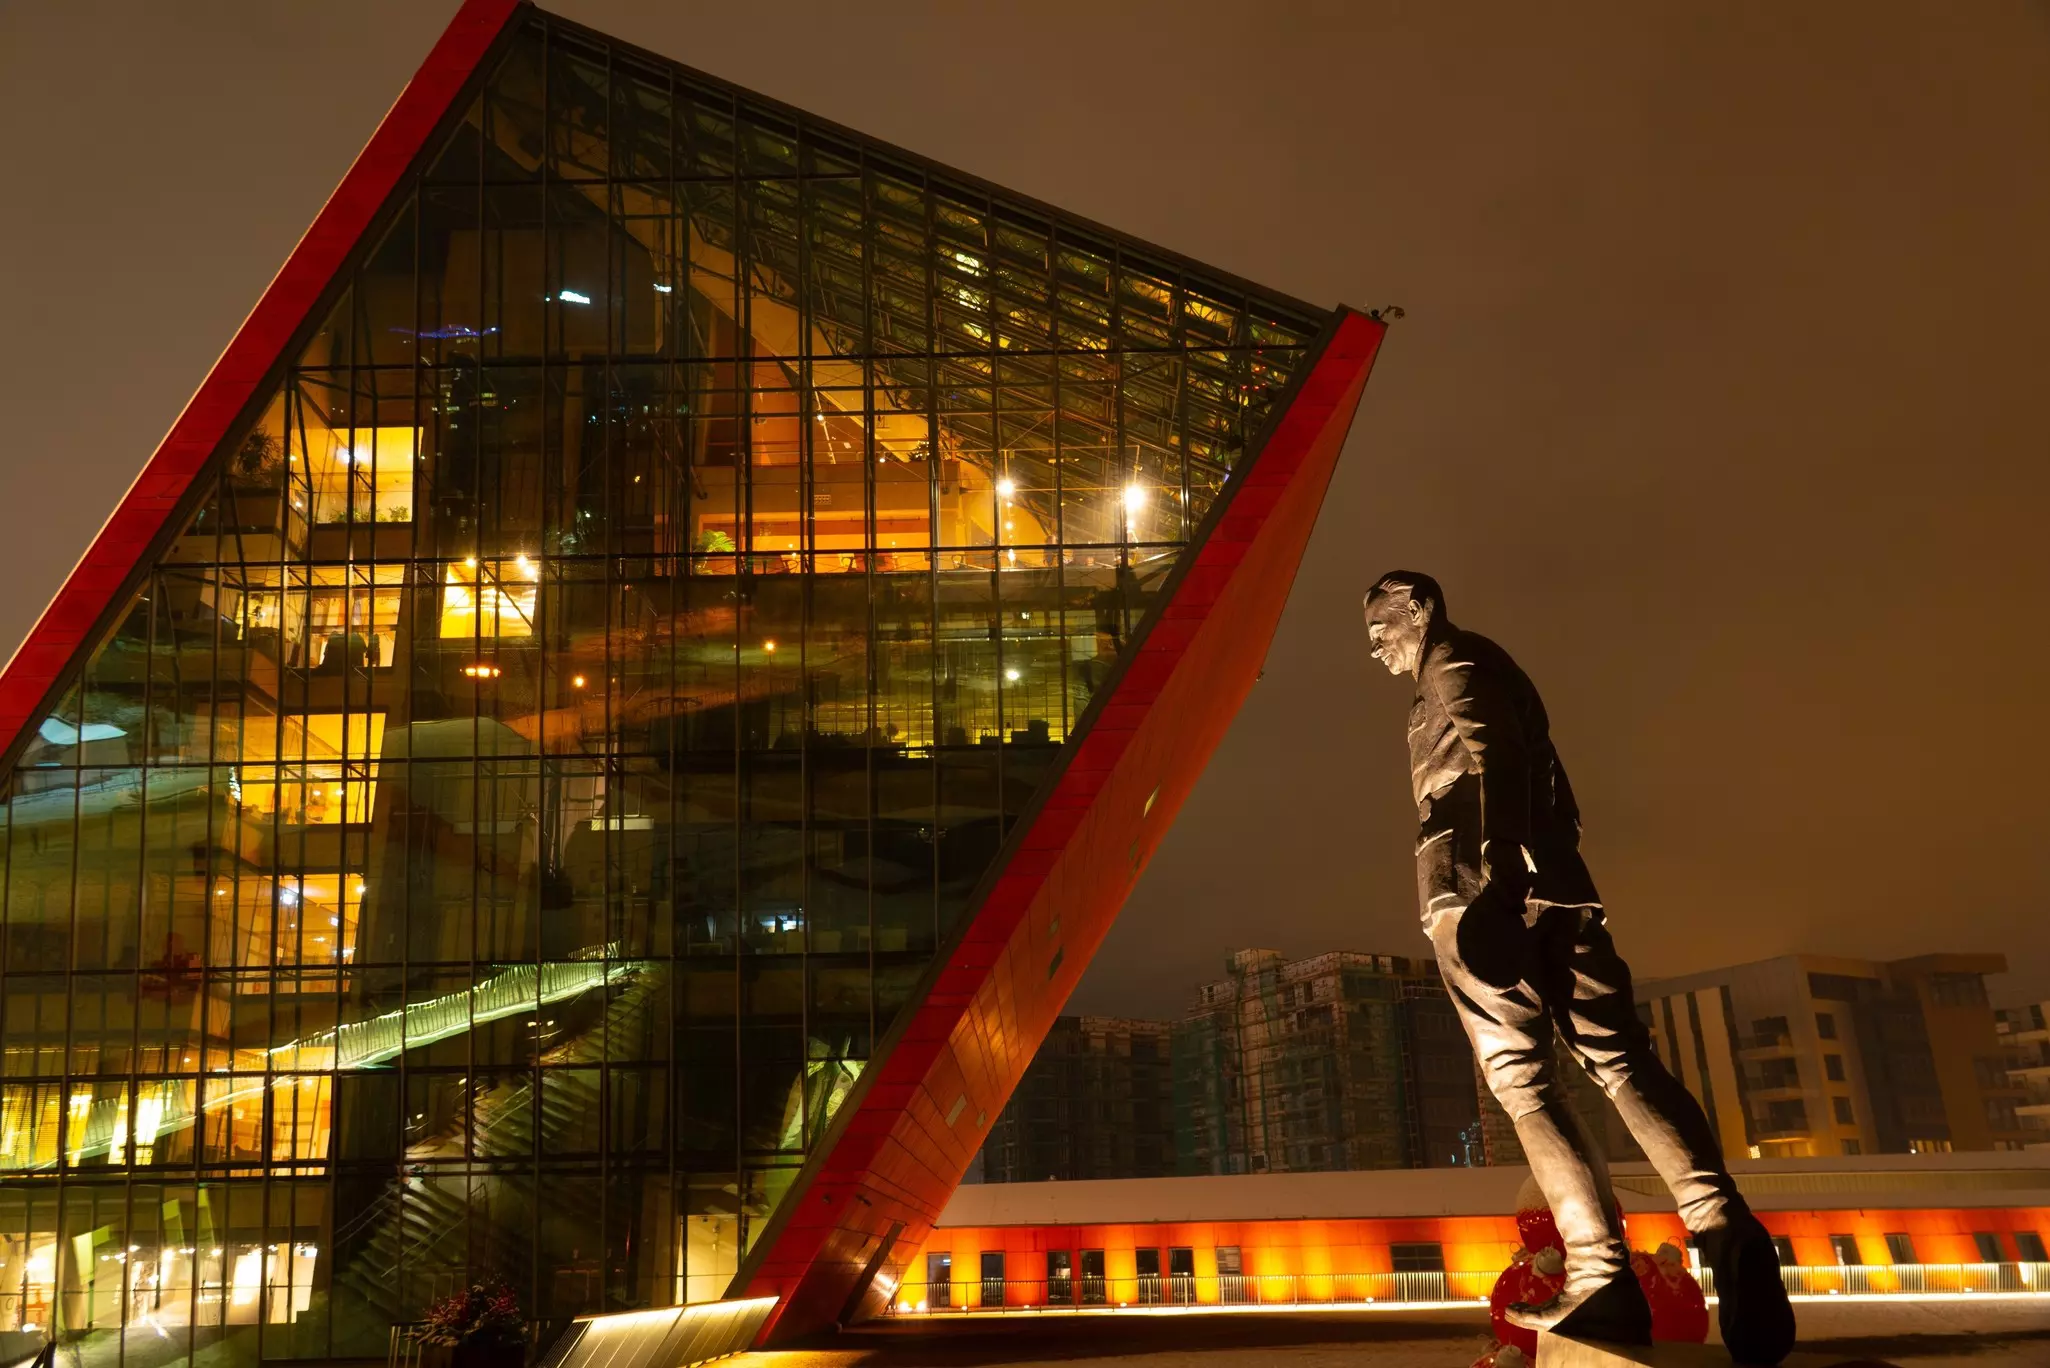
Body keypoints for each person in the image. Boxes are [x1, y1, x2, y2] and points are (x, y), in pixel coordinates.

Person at [1362, 570, 1795, 1363]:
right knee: (1620, 1057)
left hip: (1479, 888)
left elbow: (1496, 756)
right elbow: (1547, 779)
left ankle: (1598, 1273)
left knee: (1521, 1080)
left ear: (1417, 607)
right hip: (1555, 881)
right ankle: (1727, 1233)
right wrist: (1538, 864)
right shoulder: (1488, 664)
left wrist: (1496, 875)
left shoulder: (1451, 668)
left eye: (1382, 628)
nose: (1376, 648)